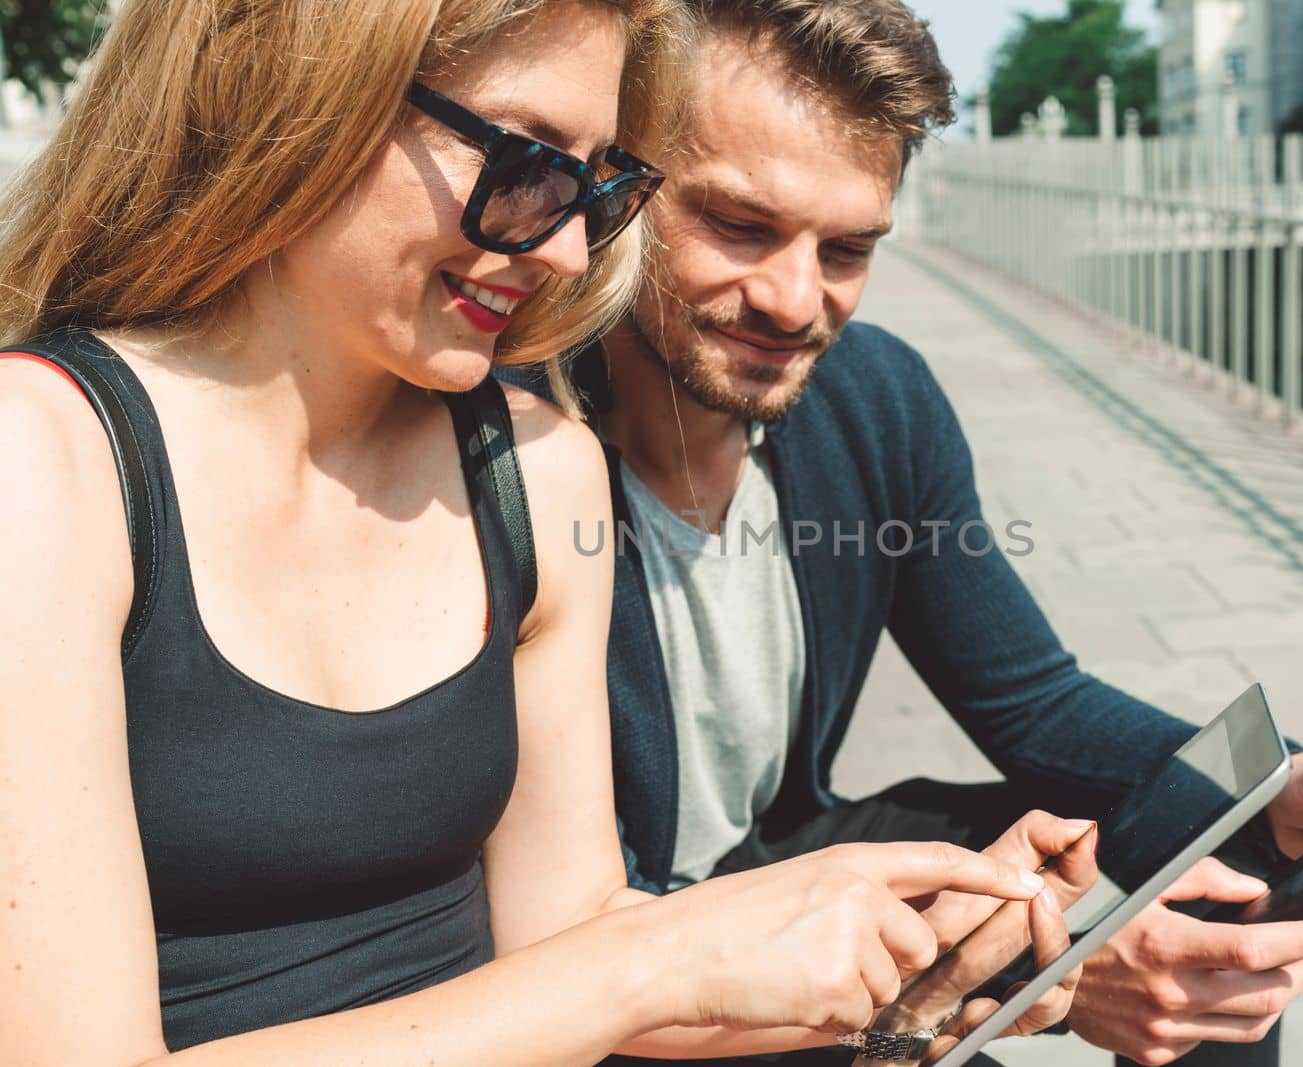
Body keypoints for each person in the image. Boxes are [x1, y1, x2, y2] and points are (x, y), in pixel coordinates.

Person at [0, 1, 1093, 1063]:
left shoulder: (534, 467)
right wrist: (656, 961)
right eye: (525, 164)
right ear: (302, 92)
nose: (568, 250)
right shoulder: (44, 464)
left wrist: (892, 979)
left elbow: (570, 943)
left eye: (595, 182)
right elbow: (609, 975)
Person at [521, 1, 1303, 1064]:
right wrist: (1056, 974)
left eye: (847, 247)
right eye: (739, 225)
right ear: (620, 181)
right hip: (611, 955)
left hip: (781, 854)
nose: (795, 300)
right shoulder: (506, 452)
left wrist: (1294, 781)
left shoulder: (873, 397)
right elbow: (543, 935)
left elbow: (1031, 701)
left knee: (1226, 873)